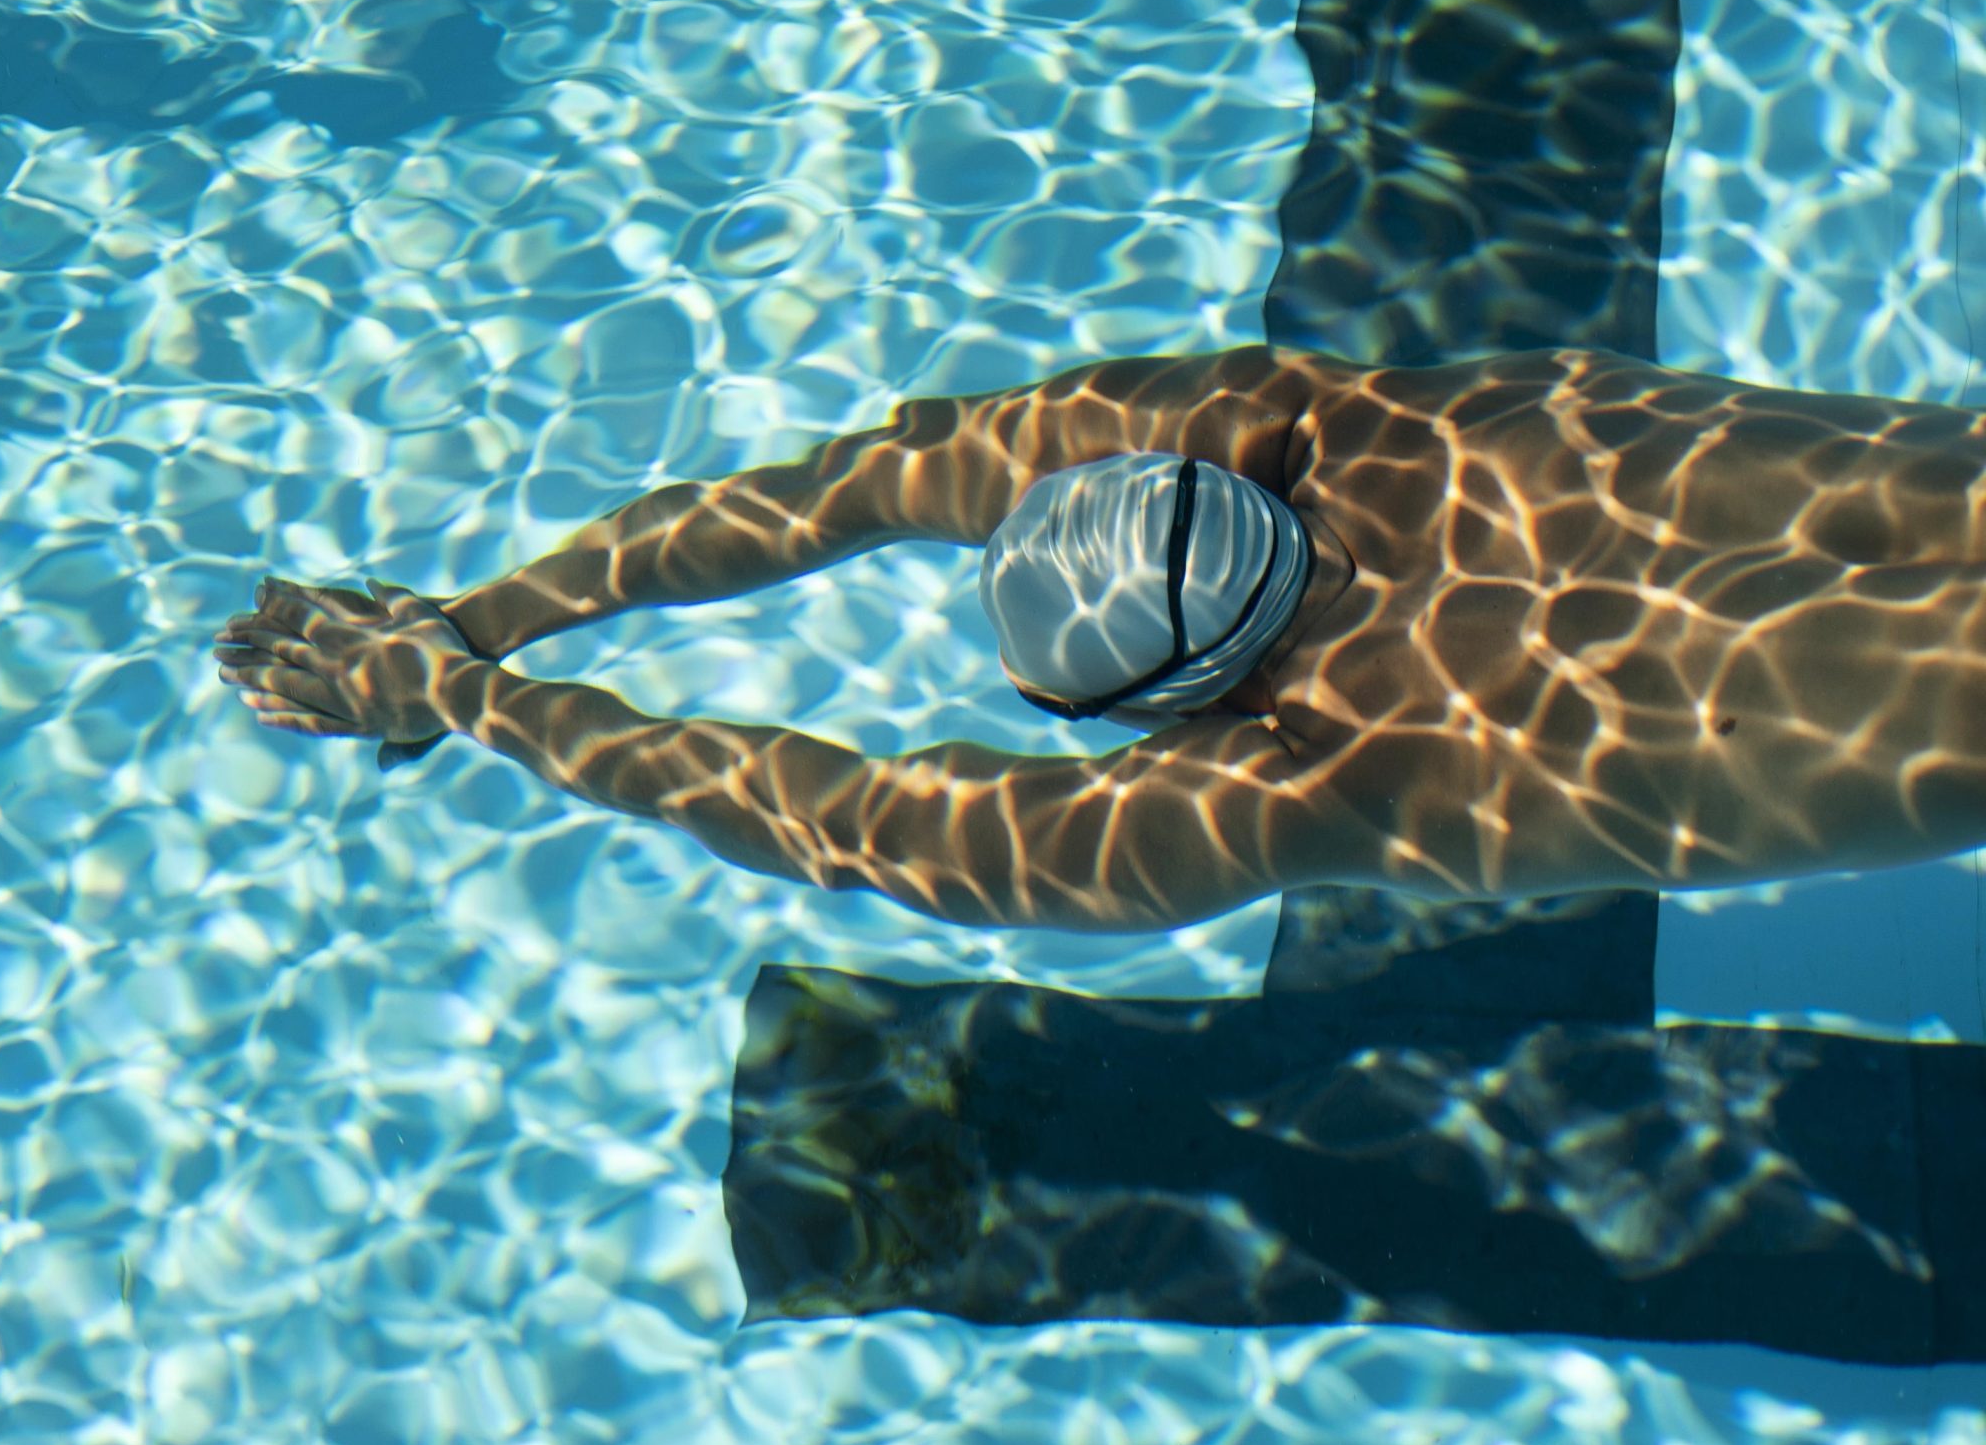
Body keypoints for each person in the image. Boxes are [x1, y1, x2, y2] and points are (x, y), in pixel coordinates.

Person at [212, 345, 1986, 933]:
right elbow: (881, 474)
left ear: (1177, 714)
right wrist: (495, 608)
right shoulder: (1323, 420)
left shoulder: (1313, 778)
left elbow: (879, 829)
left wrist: (463, 685)